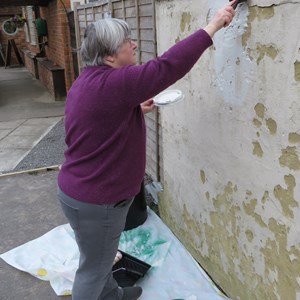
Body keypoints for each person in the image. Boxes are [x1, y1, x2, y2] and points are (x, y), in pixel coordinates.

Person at [57, 1, 236, 299]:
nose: (135, 45)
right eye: (128, 43)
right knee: (93, 270)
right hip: (96, 201)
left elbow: (98, 122)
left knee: (100, 257)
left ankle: (112, 295)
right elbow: (169, 66)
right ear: (111, 56)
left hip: (79, 193)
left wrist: (133, 109)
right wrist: (215, 25)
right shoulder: (117, 83)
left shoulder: (87, 82)